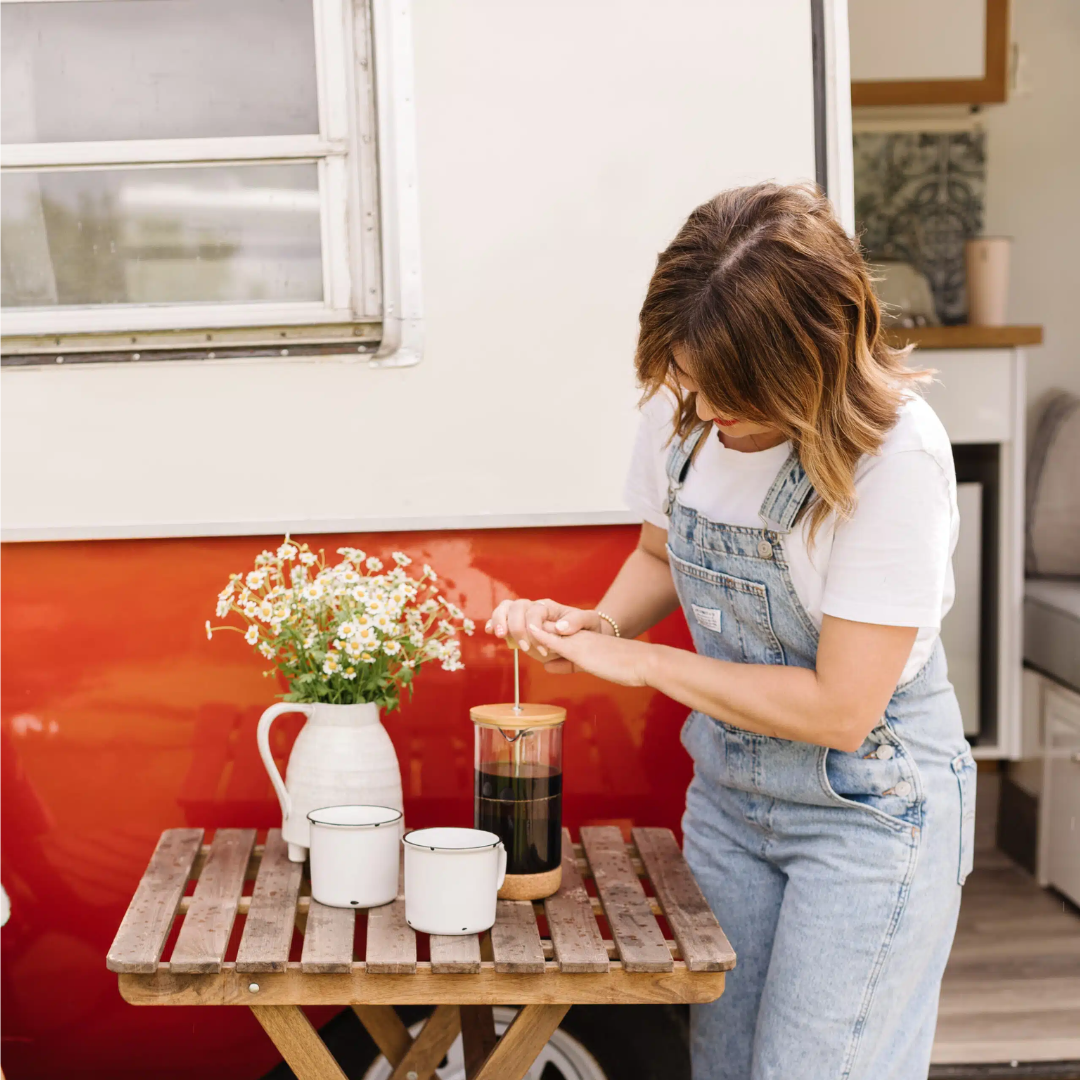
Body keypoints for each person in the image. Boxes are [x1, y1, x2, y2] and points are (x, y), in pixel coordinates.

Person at [485, 183, 975, 1080]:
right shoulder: (689, 403)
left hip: (867, 810)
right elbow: (660, 553)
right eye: (692, 384)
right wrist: (596, 623)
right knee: (723, 1066)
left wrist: (636, 662)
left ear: (809, 364)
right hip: (732, 798)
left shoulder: (895, 457)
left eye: (734, 396)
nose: (705, 413)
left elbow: (840, 710)